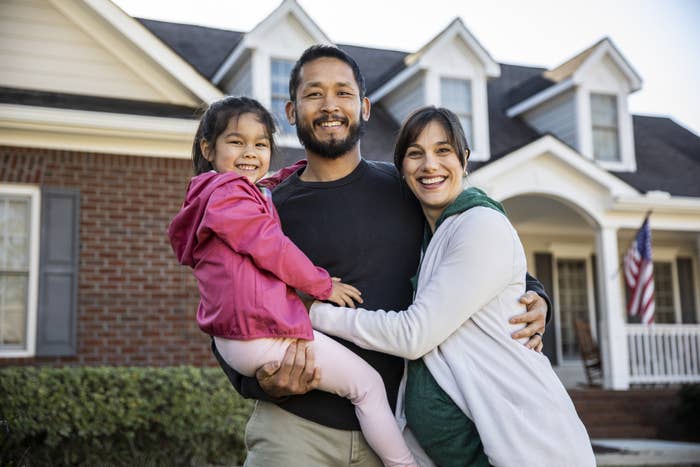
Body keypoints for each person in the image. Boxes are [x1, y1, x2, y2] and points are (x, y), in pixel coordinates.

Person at [214, 46, 551, 466]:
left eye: (343, 92)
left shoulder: (409, 186)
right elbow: (223, 306)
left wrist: (536, 295)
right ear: (290, 110)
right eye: (314, 94)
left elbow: (479, 243)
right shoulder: (266, 209)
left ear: (365, 107)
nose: (330, 105)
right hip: (295, 429)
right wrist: (262, 384)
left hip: (395, 433)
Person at [309, 106, 596, 467]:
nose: (430, 165)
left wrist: (314, 313)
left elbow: (415, 335)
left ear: (464, 159)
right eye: (416, 154)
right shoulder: (428, 232)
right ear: (402, 169)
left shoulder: (480, 224)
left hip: (527, 445)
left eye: (443, 151)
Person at [167, 96, 418, 466]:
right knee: (368, 388)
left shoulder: (222, 196)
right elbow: (272, 246)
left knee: (364, 389)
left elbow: (458, 238)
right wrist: (323, 285)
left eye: (261, 144)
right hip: (264, 342)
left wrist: (532, 290)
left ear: (364, 105)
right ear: (208, 147)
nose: (250, 152)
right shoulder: (231, 197)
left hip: (240, 337)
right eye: (236, 142)